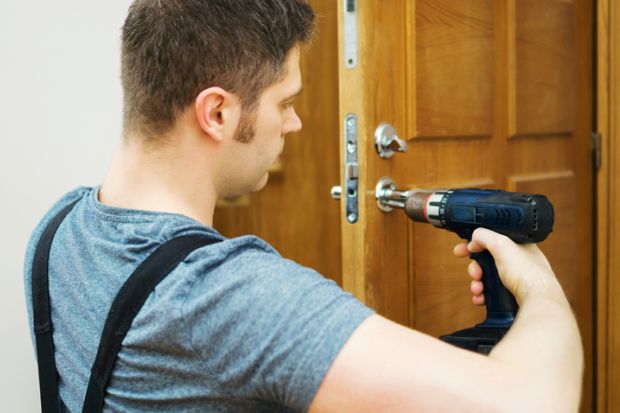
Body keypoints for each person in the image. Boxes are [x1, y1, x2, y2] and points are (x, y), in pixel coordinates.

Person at [24, 1, 583, 412]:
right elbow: (533, 401)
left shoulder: (58, 228)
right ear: (216, 113)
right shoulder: (229, 298)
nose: (293, 123)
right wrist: (539, 286)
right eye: (284, 102)